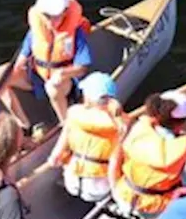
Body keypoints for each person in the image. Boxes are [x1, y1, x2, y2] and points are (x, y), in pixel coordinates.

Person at [0, 0, 94, 126]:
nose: (50, 21)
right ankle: (24, 126)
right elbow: (22, 58)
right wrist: (12, 72)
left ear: (65, 12)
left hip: (63, 83)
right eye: (46, 16)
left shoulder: (75, 32)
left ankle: (66, 126)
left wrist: (62, 73)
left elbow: (82, 67)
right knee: (0, 76)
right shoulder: (37, 28)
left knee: (52, 87)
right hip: (37, 76)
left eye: (55, 16)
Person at [109, 89, 186, 219]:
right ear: (181, 122)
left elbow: (116, 158)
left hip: (124, 193)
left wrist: (115, 189)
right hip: (156, 206)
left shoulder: (137, 129)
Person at [42, 72, 126, 202]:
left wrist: (53, 159)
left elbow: (57, 153)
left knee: (69, 156)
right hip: (98, 191)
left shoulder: (74, 113)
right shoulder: (120, 125)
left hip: (72, 183)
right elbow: (114, 164)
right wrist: (116, 192)